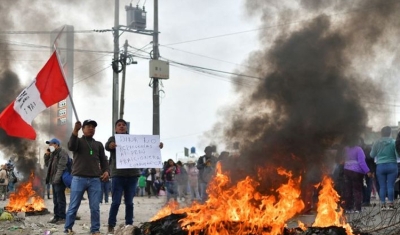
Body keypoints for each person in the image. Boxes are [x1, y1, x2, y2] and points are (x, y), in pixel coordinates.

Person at [106, 119, 163, 234]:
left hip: (132, 176)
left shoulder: (134, 140)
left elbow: (148, 149)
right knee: (116, 202)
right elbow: (107, 146)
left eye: (123, 125)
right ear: (115, 128)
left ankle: (129, 225)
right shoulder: (113, 139)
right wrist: (111, 145)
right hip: (118, 175)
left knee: (129, 203)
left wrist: (157, 146)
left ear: (126, 128)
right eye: (119, 125)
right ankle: (111, 225)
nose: (121, 127)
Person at [64, 120, 110, 235]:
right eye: (88, 126)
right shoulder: (78, 141)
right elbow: (71, 146)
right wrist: (75, 130)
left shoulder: (98, 144)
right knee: (73, 206)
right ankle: (68, 228)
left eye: (93, 127)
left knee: (95, 207)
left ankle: (95, 229)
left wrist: (107, 171)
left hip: (95, 179)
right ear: (83, 129)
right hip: (79, 178)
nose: (91, 128)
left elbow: (104, 160)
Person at [371, 126, 399, 210]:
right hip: (392, 165)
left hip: (380, 166)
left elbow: (372, 155)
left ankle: (383, 205)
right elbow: (398, 155)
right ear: (390, 133)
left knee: (382, 186)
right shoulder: (394, 142)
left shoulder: (376, 142)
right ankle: (391, 204)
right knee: (390, 186)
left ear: (381, 133)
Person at [342, 139, 371, 213]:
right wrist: (367, 171)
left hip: (346, 170)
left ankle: (348, 208)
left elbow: (342, 160)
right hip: (356, 172)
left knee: (348, 190)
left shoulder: (345, 149)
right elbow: (362, 162)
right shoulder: (359, 149)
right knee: (357, 190)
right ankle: (357, 208)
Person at [44, 138, 69, 224]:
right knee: (55, 199)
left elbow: (61, 168)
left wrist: (56, 180)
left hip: (60, 180)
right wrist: (46, 155)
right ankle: (56, 216)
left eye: (51, 144)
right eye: (49, 144)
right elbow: (48, 165)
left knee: (60, 199)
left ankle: (62, 217)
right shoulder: (53, 154)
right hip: (54, 180)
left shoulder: (62, 153)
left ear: (57, 145)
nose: (50, 146)